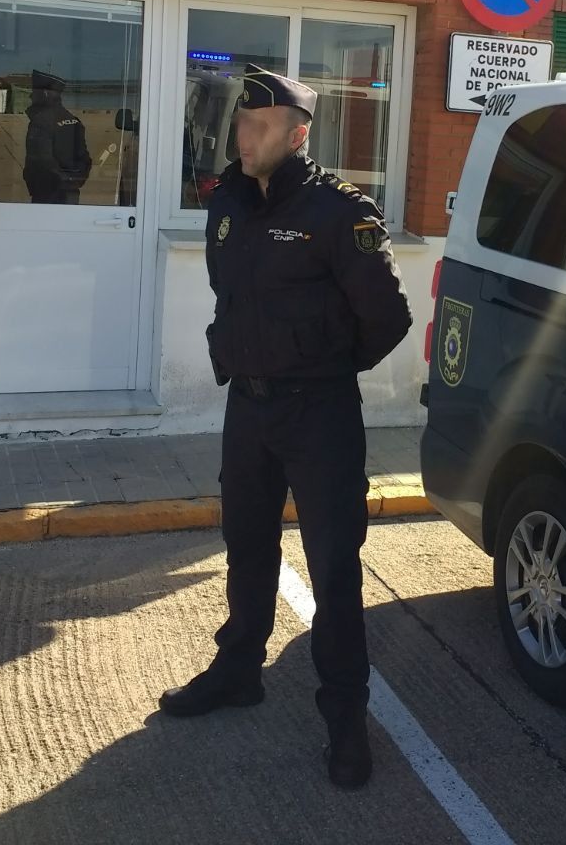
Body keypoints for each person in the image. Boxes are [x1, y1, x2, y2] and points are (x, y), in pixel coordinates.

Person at [159, 64, 412, 791]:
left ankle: (345, 715)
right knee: (247, 546)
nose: (245, 135)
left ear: (297, 134)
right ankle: (239, 670)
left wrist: (323, 364)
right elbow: (229, 292)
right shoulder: (229, 203)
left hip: (320, 411)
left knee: (333, 570)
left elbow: (387, 320)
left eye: (261, 125)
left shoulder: (339, 213)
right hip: (250, 407)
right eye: (242, 122)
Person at [23, 70, 92, 204]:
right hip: (70, 191)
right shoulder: (73, 120)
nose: (31, 98)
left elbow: (42, 160)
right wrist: (75, 180)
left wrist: (62, 180)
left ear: (45, 94)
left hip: (47, 191)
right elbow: (84, 158)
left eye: (34, 93)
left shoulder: (41, 122)